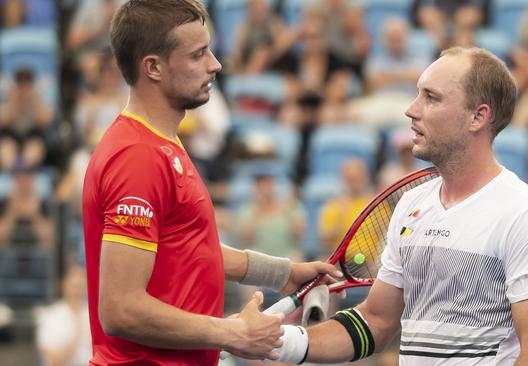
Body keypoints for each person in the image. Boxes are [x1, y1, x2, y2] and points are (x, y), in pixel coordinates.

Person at [81, 1, 340, 364]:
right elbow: (120, 309)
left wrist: (284, 273)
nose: (215, 64)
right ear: (153, 67)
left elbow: (189, 249)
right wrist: (231, 333)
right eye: (198, 54)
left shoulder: (159, 144)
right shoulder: (137, 158)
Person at [271, 47, 528, 365]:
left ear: (478, 117)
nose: (411, 110)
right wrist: (280, 342)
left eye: (431, 98)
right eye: (417, 95)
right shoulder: (412, 204)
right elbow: (376, 321)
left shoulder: (522, 215)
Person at [35, 265, 92, 366]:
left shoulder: (94, 315)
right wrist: (77, 334)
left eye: (81, 286)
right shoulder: (50, 316)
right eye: (74, 286)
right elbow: (53, 360)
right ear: (64, 285)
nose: (77, 291)